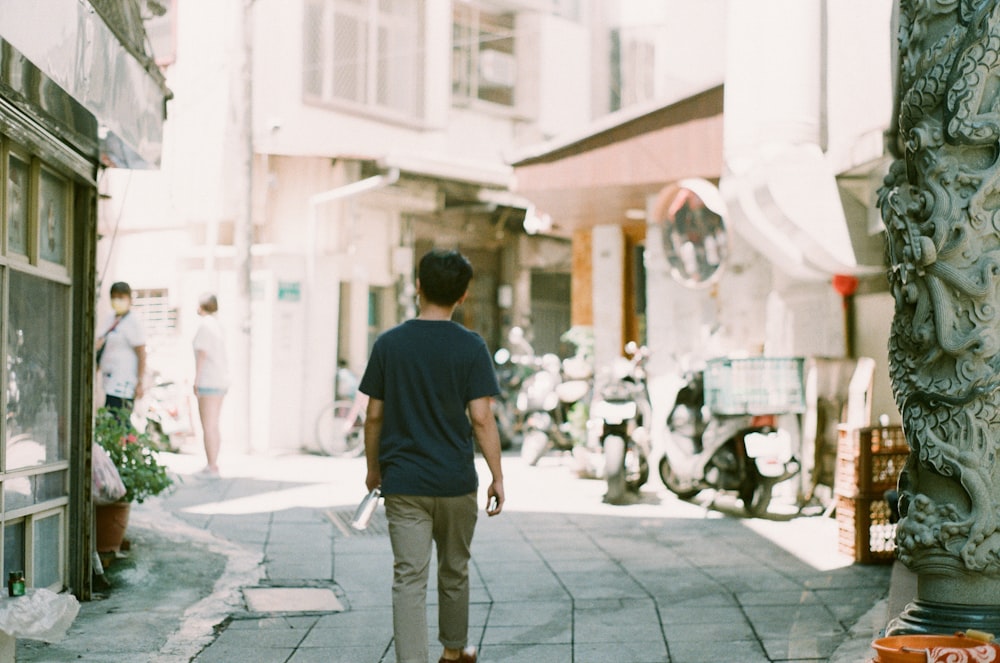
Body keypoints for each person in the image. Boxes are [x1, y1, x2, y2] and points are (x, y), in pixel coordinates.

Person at [359, 249, 505, 663]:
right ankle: (454, 651)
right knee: (454, 569)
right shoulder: (471, 346)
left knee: (409, 577)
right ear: (463, 296)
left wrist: (374, 470)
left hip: (404, 482)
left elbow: (374, 416)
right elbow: (481, 419)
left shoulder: (389, 344)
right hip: (456, 481)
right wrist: (497, 476)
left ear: (418, 286)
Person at [96, 281, 146, 421]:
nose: (117, 300)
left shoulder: (133, 321)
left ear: (129, 299)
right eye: (114, 297)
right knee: (109, 422)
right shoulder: (110, 318)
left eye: (121, 297)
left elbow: (141, 353)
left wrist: (140, 382)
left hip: (124, 384)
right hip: (109, 382)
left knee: (120, 423)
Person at [192, 293, 229, 477]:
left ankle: (211, 465)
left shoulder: (205, 326)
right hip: (220, 381)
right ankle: (213, 463)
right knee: (214, 424)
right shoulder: (218, 325)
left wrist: (196, 380)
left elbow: (202, 354)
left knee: (208, 425)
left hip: (208, 380)